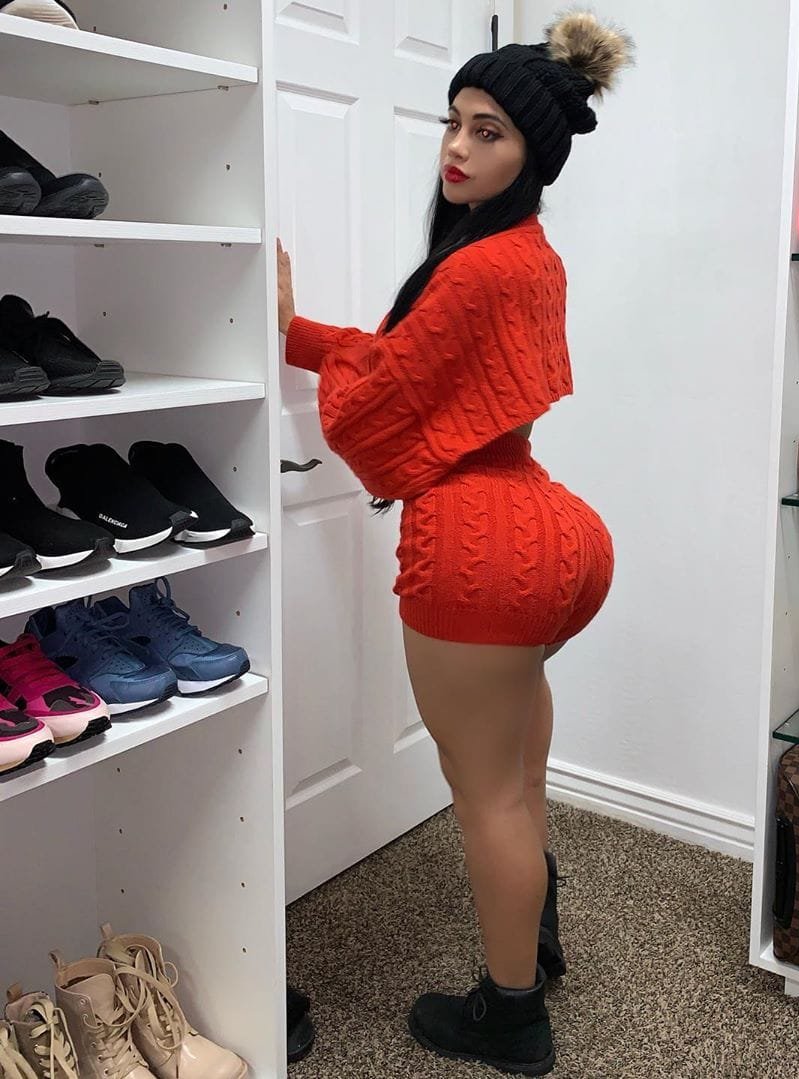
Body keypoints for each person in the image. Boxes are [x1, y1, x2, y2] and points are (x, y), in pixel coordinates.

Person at [277, 11, 632, 1074]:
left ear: (534, 154)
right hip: (558, 538)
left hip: (484, 550)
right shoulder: (525, 254)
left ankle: (511, 1016)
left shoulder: (476, 267)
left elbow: (375, 401)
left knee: (487, 798)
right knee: (518, 778)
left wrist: (297, 341)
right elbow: (407, 360)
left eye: (488, 132)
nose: (458, 148)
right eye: (454, 122)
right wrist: (302, 335)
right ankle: (534, 931)